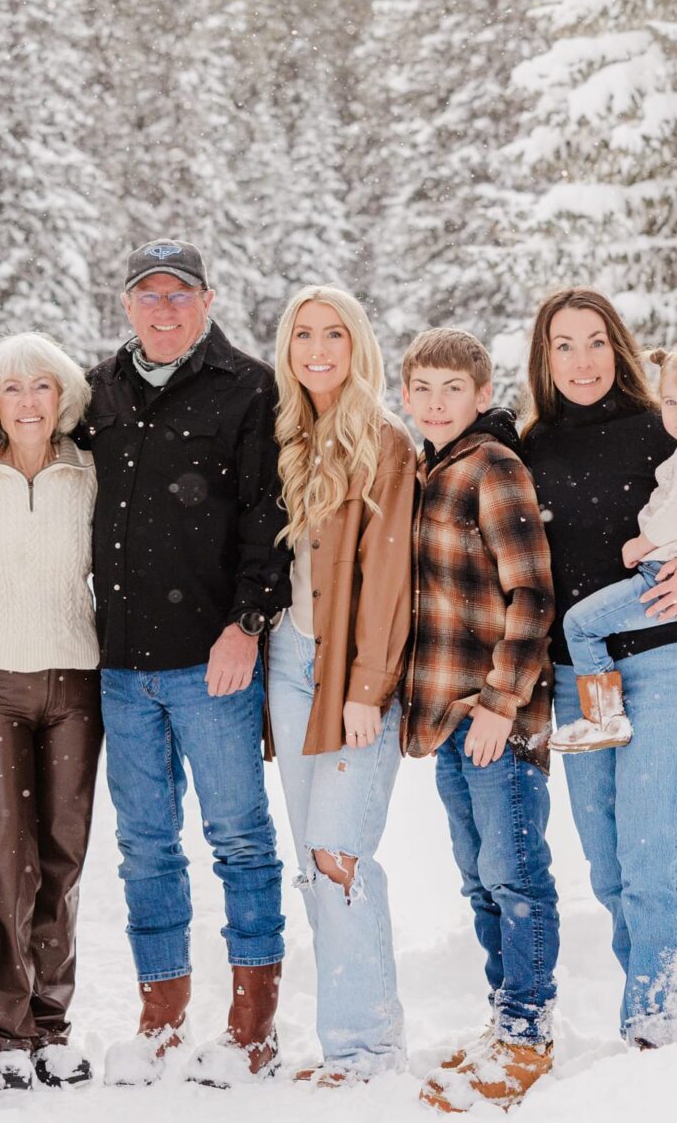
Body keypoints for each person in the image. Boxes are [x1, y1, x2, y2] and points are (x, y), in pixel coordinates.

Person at [515, 288, 677, 1049]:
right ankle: (649, 1007)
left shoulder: (664, 429)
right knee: (611, 871)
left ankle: (656, 1029)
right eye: (564, 345)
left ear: (616, 346)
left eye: (594, 342)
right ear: (544, 358)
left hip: (659, 668)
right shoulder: (531, 449)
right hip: (580, 688)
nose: (581, 360)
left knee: (654, 865)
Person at [84, 240, 290, 1088]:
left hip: (214, 663)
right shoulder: (95, 390)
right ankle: (161, 1019)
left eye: (180, 295)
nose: (164, 310)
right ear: (127, 305)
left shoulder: (246, 387)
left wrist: (247, 623)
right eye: (148, 295)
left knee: (239, 838)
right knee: (144, 847)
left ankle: (253, 1026)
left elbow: (268, 514)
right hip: (122, 665)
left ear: (207, 301)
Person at [395, 329, 561, 1113]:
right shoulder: (430, 470)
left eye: (450, 389)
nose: (435, 402)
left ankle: (529, 1035)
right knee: (480, 881)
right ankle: (505, 1020)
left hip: (498, 714)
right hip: (451, 717)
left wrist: (501, 701)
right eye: (421, 388)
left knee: (517, 875)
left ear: (481, 394)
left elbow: (531, 595)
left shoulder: (492, 468)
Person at [263, 286, 418, 1087]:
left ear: (357, 345)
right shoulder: (288, 435)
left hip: (356, 675)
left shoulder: (385, 442)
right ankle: (346, 1044)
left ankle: (368, 1048)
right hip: (290, 665)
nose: (317, 349)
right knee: (309, 857)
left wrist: (369, 685)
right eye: (302, 335)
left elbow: (388, 575)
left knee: (338, 851)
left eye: (333, 334)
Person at [0, 333, 103, 1094]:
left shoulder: (88, 471)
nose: (30, 402)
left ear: (63, 395)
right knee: (6, 855)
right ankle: (4, 1031)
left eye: (43, 387)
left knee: (64, 854)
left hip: (76, 678)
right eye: (13, 389)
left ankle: (51, 1024)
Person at [552, 333, 677, 753]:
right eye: (671, 402)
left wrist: (643, 543)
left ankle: (604, 716)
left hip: (661, 571)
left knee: (580, 624)